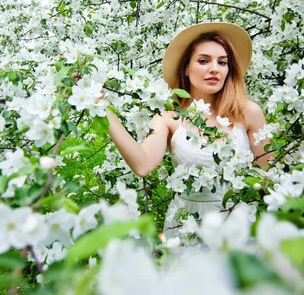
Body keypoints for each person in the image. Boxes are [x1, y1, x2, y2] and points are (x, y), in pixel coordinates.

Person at [105, 22, 267, 237]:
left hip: (237, 224)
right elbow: (142, 164)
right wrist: (103, 109)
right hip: (188, 227)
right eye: (203, 61)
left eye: (222, 62)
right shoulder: (168, 117)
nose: (214, 69)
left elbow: (268, 176)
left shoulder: (247, 112)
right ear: (186, 68)